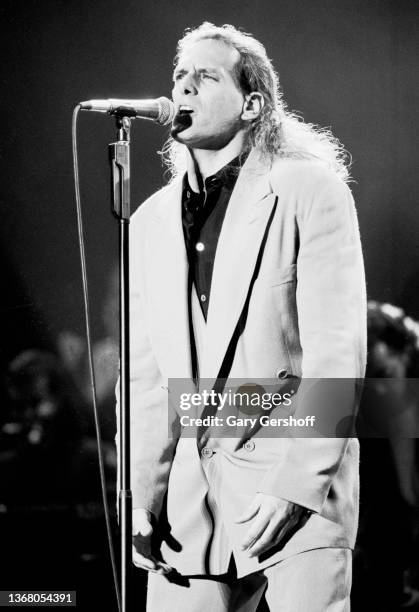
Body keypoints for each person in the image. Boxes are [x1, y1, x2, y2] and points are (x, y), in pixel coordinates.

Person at [116, 22, 366, 611]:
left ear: (253, 105)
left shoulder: (307, 190)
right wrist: (142, 497)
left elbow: (338, 350)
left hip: (289, 481)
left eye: (206, 77)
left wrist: (299, 488)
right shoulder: (149, 222)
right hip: (189, 506)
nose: (184, 88)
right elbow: (149, 379)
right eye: (179, 76)